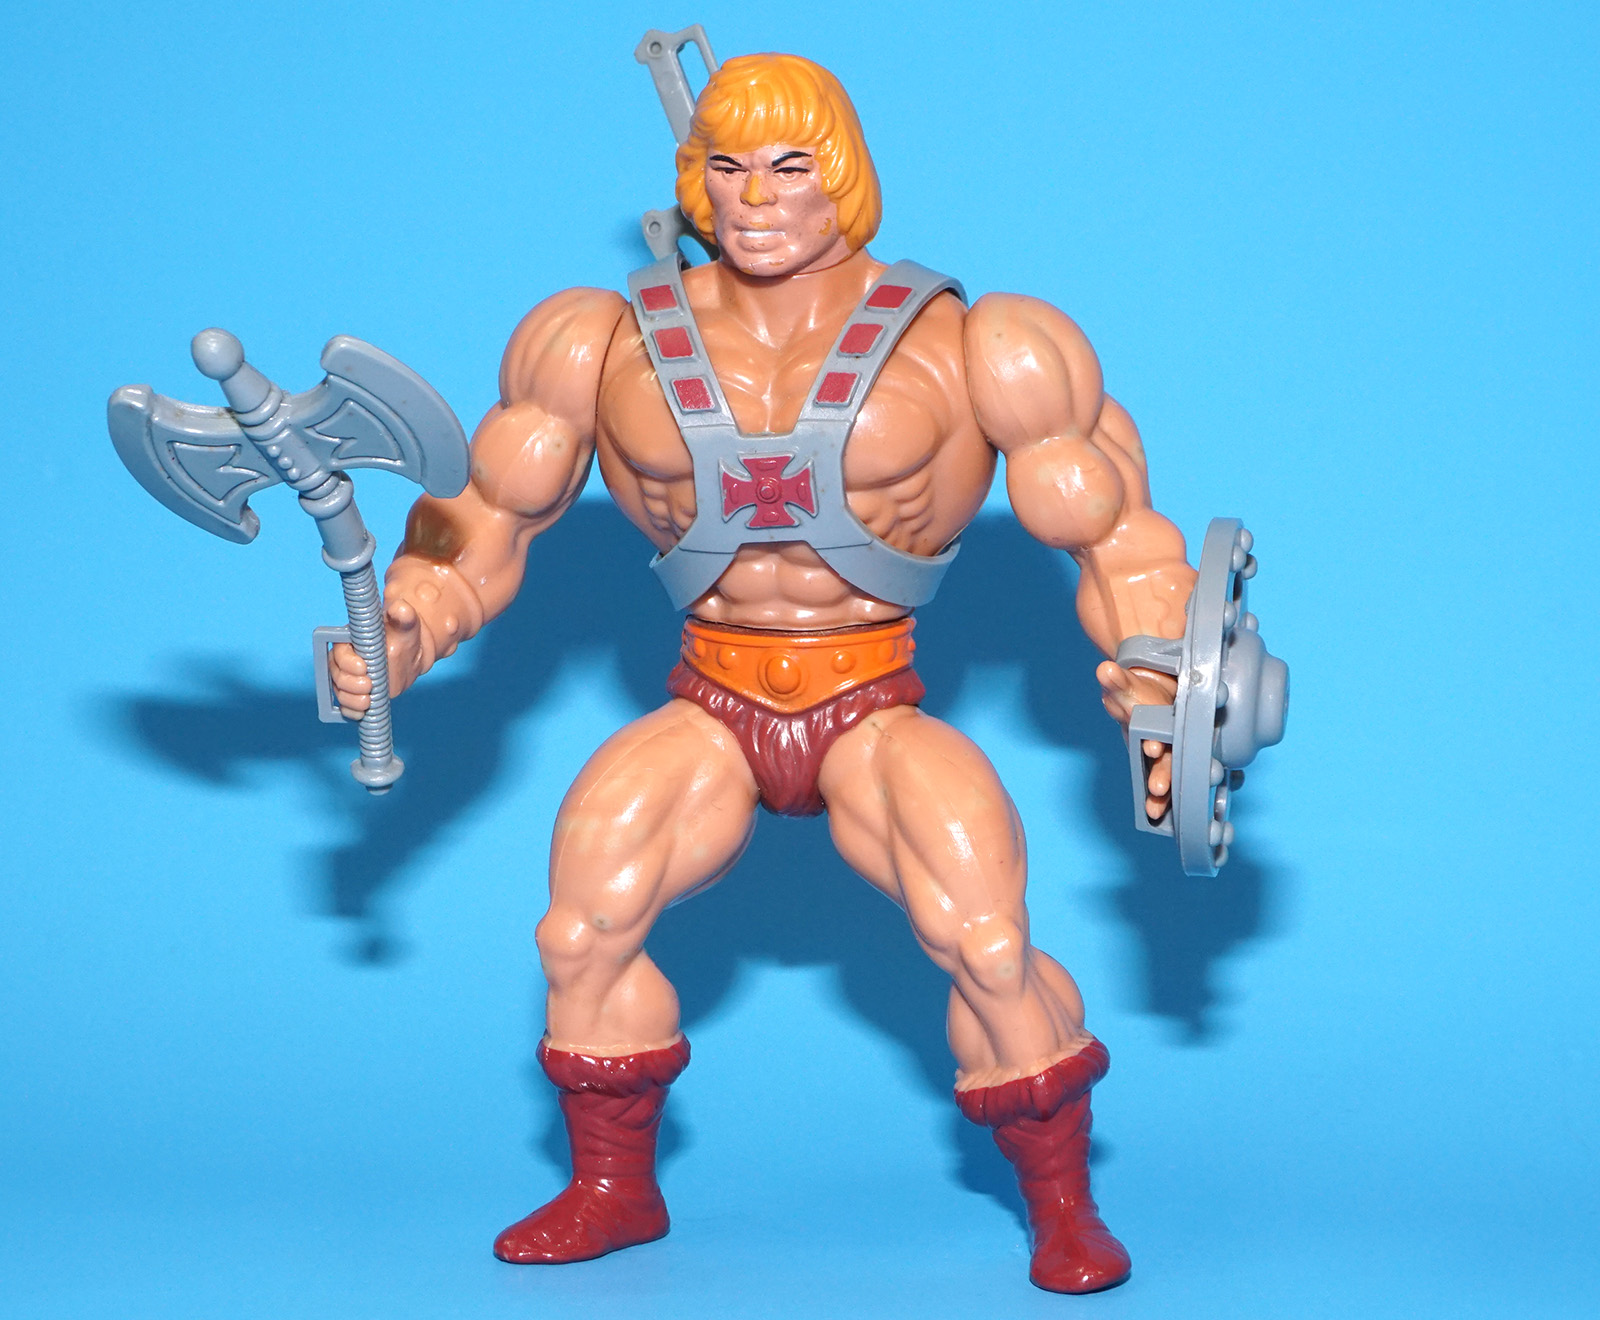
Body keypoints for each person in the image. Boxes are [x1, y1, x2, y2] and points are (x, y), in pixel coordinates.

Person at [331, 51, 1194, 1295]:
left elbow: (1119, 537)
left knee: (988, 941)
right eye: (727, 166)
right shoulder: (597, 341)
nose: (755, 197)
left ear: (842, 176)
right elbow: (484, 516)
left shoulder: (982, 344)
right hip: (712, 696)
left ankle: (1062, 1206)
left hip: (871, 695)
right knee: (580, 929)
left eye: (789, 167)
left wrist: (1162, 686)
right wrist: (407, 625)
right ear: (694, 178)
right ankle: (612, 1190)